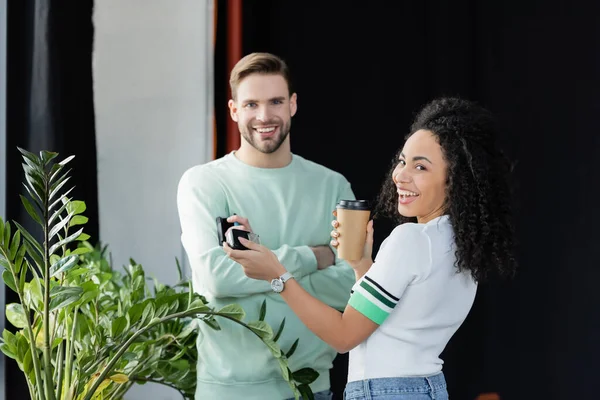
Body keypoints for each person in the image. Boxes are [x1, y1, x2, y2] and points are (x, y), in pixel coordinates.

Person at [225, 97, 517, 399]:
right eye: (403, 161)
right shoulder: (462, 247)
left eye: (421, 167)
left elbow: (344, 336)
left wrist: (277, 275)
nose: (400, 175)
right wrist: (362, 265)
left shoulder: (411, 239)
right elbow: (395, 327)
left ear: (455, 181)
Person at [176, 52, 356, 400]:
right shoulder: (204, 184)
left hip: (311, 389)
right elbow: (216, 278)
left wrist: (264, 270)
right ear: (233, 110)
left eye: (275, 101)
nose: (264, 116)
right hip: (227, 391)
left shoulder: (333, 186)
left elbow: (350, 286)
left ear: (293, 104)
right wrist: (311, 258)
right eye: (251, 104)